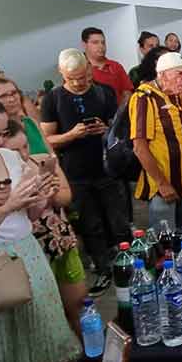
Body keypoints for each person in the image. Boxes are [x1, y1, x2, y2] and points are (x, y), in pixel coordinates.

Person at [0, 97, 80, 362]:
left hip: (27, 250)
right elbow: (8, 211)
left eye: (2, 134)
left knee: (50, 325)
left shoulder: (12, 160)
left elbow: (31, 213)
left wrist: (41, 196)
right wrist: (6, 206)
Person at [41, 49, 130, 297]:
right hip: (75, 172)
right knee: (91, 225)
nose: (79, 82)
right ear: (61, 74)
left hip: (106, 168)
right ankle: (103, 269)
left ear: (88, 71)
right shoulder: (53, 99)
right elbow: (47, 139)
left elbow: (118, 128)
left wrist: (105, 128)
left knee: (119, 220)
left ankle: (131, 265)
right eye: (73, 78)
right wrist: (71, 135)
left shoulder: (103, 92)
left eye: (83, 76)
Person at [3, 120, 87, 337]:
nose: (22, 155)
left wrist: (51, 194)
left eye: (25, 146)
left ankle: (96, 358)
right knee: (49, 315)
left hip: (61, 241)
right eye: (14, 150)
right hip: (33, 252)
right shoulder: (1, 182)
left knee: (80, 305)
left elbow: (66, 196)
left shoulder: (40, 162)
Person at [130, 52, 182, 229]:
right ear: (162, 75)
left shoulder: (176, 95)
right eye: (179, 74)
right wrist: (162, 184)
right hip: (162, 187)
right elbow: (139, 147)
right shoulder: (144, 98)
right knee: (167, 241)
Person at [0, 76, 49, 155]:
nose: (12, 99)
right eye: (3, 96)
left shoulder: (31, 122)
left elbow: (52, 155)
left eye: (14, 93)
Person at [81, 27, 134, 106]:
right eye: (95, 42)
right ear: (84, 44)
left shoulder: (116, 66)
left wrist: (119, 115)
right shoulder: (79, 69)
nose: (101, 46)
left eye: (103, 42)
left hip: (119, 114)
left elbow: (127, 93)